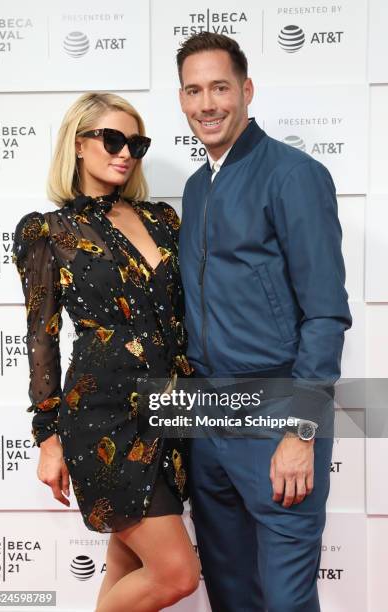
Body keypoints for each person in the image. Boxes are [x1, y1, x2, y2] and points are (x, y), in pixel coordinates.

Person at [176, 33, 352, 612]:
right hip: (207, 417)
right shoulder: (198, 187)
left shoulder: (294, 175)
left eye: (220, 87)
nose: (208, 104)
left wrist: (301, 431)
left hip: (277, 412)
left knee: (284, 599)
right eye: (194, 90)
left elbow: (326, 312)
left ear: (246, 91)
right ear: (182, 99)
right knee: (230, 593)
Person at [12, 92, 200, 612]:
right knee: (176, 575)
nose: (125, 153)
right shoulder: (47, 232)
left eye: (135, 143)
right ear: (78, 144)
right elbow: (41, 340)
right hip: (104, 417)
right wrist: (48, 437)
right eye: (112, 139)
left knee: (129, 569)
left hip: (172, 409)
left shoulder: (163, 220)